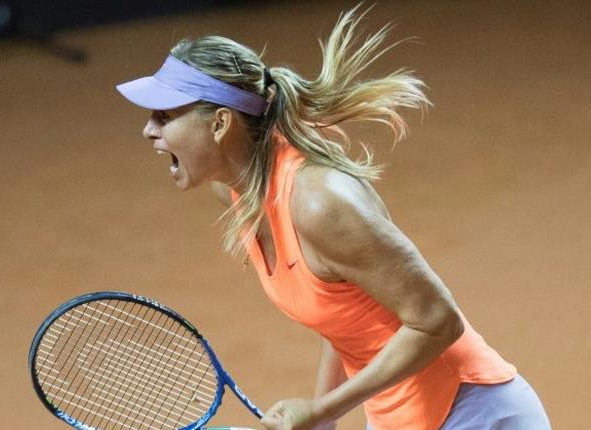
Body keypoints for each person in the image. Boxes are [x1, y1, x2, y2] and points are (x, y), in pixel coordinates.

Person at [116, 5, 551, 430]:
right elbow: (342, 314)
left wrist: (323, 409)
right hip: (398, 416)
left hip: (474, 412)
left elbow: (439, 320)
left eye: (165, 116)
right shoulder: (237, 192)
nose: (148, 130)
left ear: (220, 123)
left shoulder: (320, 203)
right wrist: (326, 416)